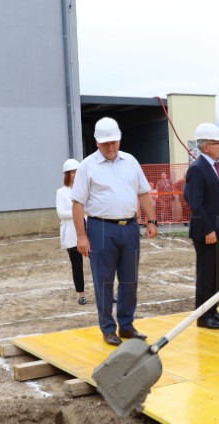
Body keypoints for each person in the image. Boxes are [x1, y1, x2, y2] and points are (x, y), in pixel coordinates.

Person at [72, 117, 158, 346]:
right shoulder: (87, 166)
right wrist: (81, 236)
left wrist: (152, 220)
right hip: (100, 228)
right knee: (104, 281)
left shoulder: (130, 162)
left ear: (119, 140)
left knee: (130, 280)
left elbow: (143, 193)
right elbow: (78, 203)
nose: (110, 147)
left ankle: (127, 326)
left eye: (113, 142)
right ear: (97, 143)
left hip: (129, 227)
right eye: (105, 143)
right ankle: (108, 329)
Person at [185, 123, 219, 329]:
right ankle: (203, 315)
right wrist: (208, 229)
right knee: (207, 274)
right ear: (205, 147)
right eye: (217, 143)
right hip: (208, 231)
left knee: (218, 273)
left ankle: (213, 310)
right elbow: (195, 203)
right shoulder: (198, 169)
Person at [56, 158, 86, 305]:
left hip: (89, 230)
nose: (76, 174)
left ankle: (105, 293)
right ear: (67, 174)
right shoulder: (61, 192)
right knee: (77, 264)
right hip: (71, 233)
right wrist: (79, 212)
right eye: (73, 172)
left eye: (77, 172)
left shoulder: (85, 190)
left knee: (100, 263)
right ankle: (81, 294)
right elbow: (61, 213)